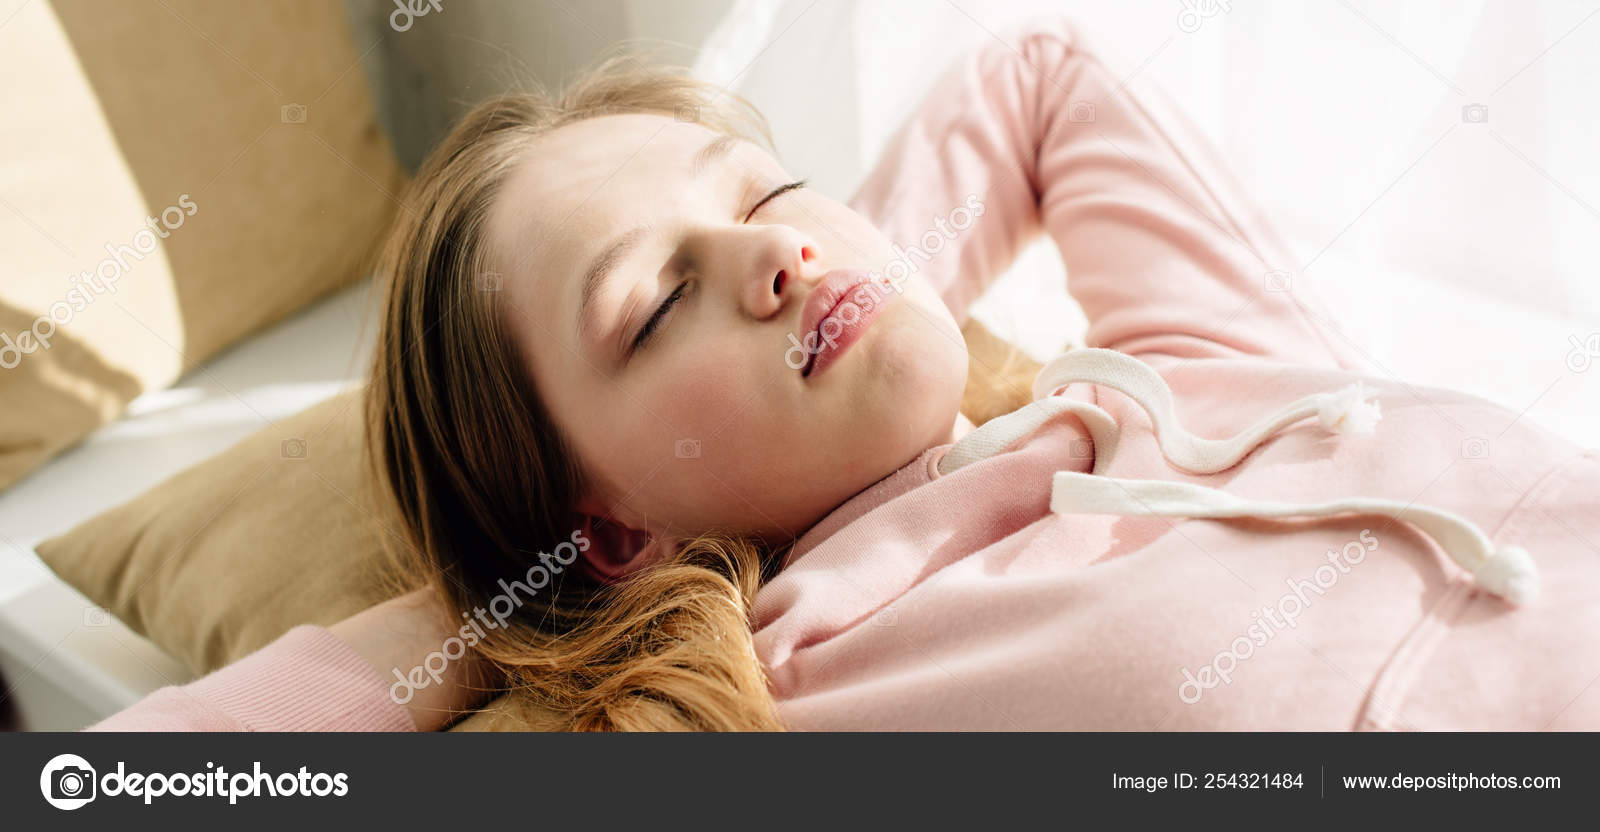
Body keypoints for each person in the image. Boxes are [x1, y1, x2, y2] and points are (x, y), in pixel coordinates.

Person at [94, 17, 1599, 732]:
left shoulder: (1184, 373)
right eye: (654, 304)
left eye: (763, 194)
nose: (775, 251)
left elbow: (1035, 77)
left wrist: (854, 291)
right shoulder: (795, 690)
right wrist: (500, 608)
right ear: (613, 527)